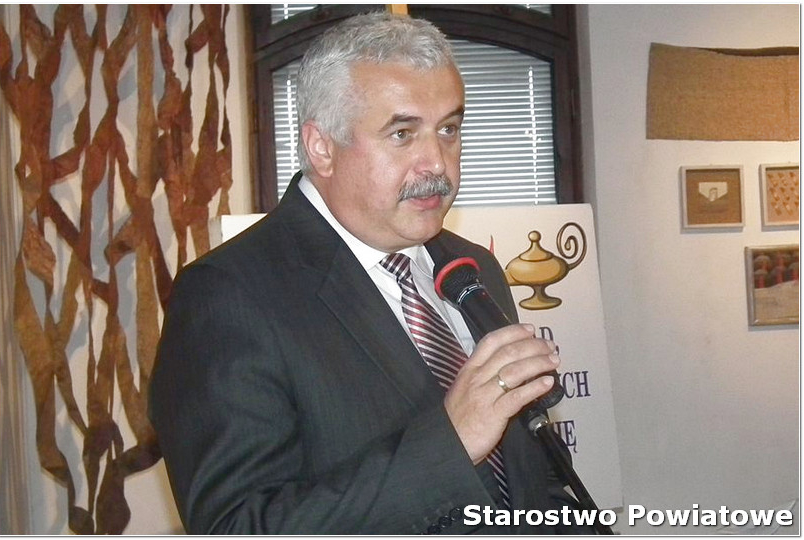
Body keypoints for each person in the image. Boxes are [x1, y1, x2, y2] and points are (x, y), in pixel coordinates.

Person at [149, 11, 590, 535]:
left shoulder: (473, 268)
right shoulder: (227, 295)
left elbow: (532, 481)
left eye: (448, 129)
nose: (437, 163)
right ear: (322, 148)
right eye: (402, 133)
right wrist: (450, 445)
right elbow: (238, 527)